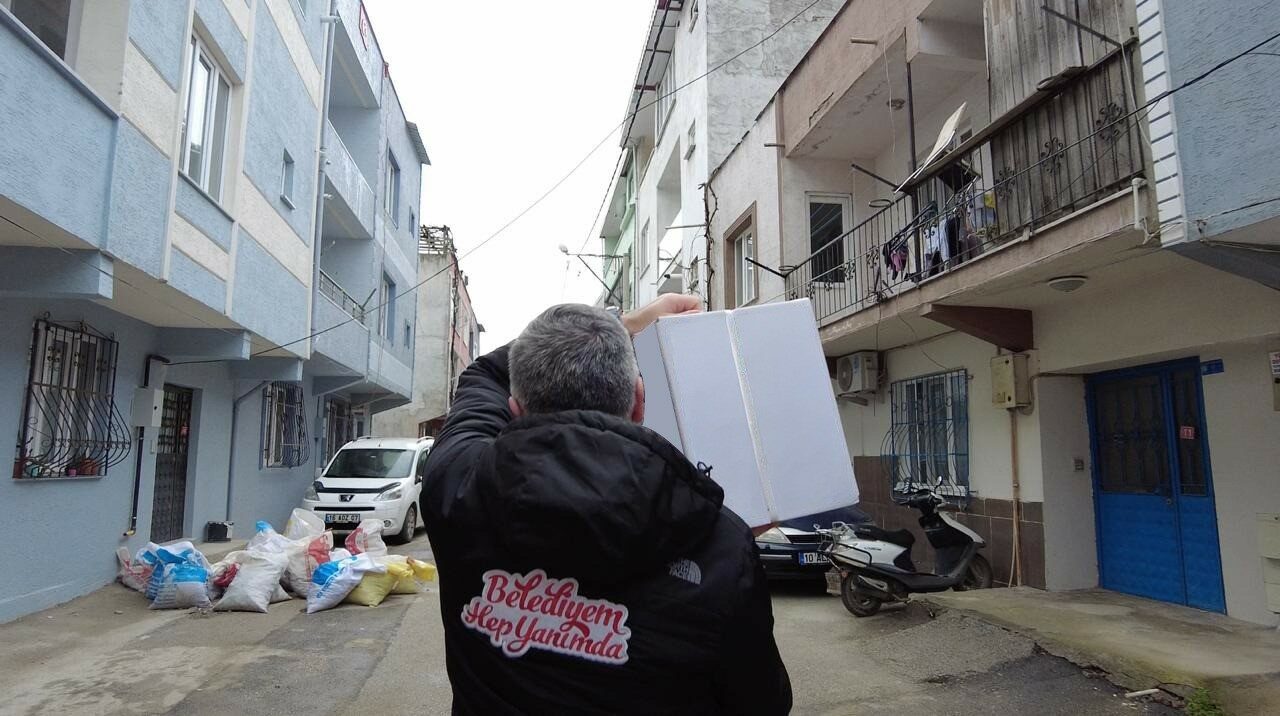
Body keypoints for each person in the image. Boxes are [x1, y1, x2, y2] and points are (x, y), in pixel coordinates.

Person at [422, 294, 792, 715]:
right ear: (639, 401)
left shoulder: (457, 487)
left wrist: (628, 322)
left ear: (515, 410)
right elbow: (763, 703)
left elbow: (485, 373)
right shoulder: (719, 540)